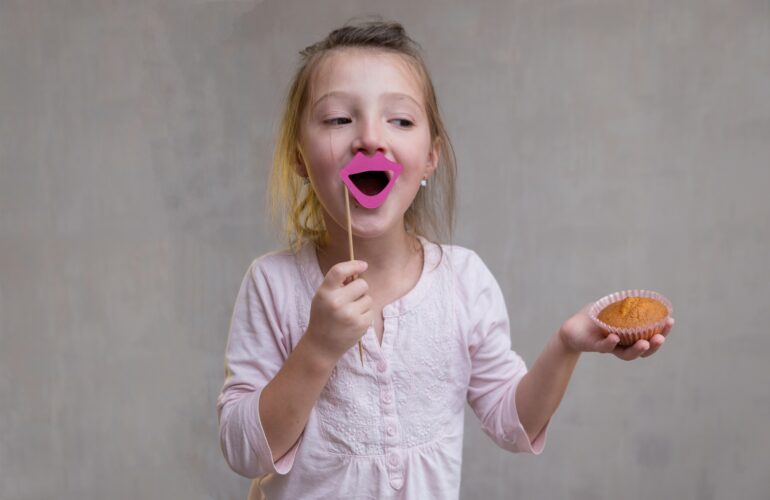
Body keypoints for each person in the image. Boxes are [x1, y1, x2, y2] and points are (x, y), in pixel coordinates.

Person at [216, 18, 675, 500]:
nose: (370, 138)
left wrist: (567, 345)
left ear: (430, 157)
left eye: (400, 120)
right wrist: (317, 348)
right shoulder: (272, 284)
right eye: (338, 119)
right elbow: (242, 451)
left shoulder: (463, 282)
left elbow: (513, 424)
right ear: (298, 158)